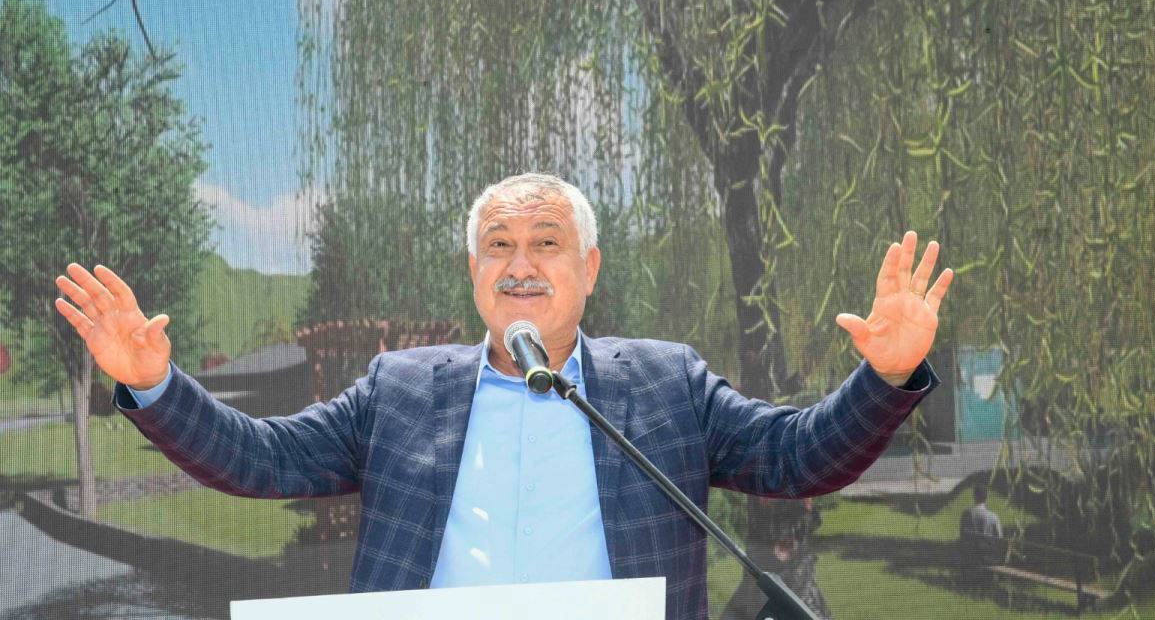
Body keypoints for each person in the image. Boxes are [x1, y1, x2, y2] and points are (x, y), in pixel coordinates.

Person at [54, 172, 954, 620]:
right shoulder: (400, 388)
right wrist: (154, 384)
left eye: (546, 243)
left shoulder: (666, 382)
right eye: (498, 245)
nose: (520, 264)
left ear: (589, 268)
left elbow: (797, 457)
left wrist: (884, 376)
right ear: (474, 270)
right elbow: (263, 458)